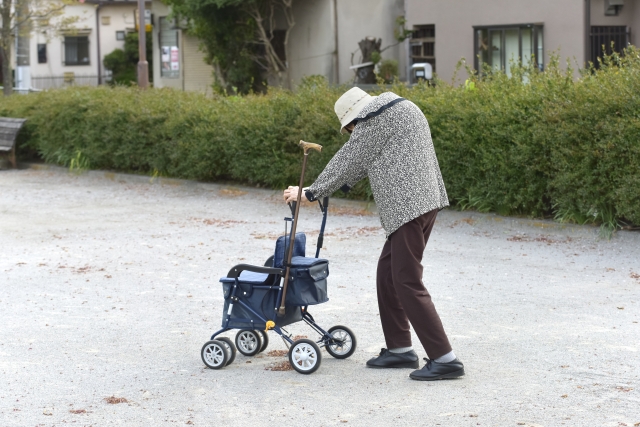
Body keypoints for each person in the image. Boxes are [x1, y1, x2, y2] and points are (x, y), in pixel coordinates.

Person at [283, 87, 464, 381]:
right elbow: (365, 157)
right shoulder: (401, 108)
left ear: (354, 118)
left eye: (350, 128)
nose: (353, 132)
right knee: (387, 274)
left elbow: (350, 158)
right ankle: (400, 349)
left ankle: (445, 358)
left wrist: (311, 192)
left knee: (406, 280)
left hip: (409, 207)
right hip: (423, 203)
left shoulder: (376, 118)